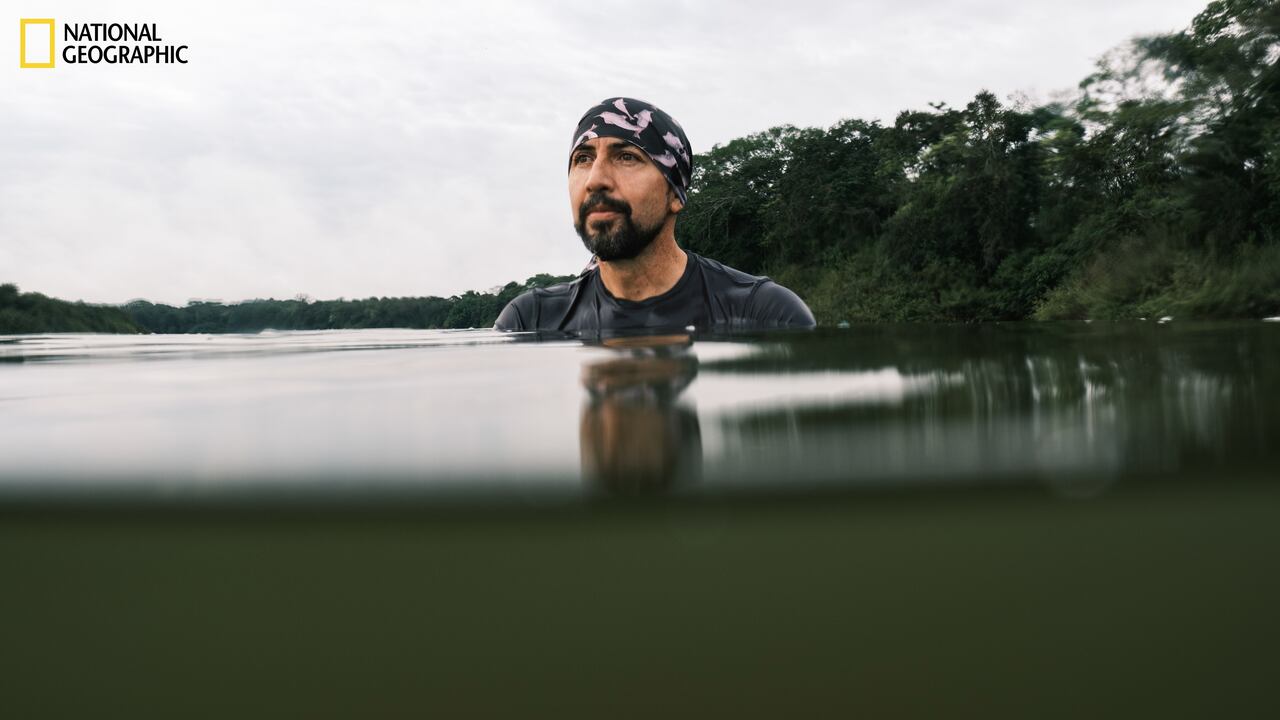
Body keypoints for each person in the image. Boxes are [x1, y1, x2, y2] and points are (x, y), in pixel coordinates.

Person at [494, 97, 815, 333]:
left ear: (674, 194)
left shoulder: (764, 313)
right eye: (582, 159)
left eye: (626, 157)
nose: (595, 179)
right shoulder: (530, 320)